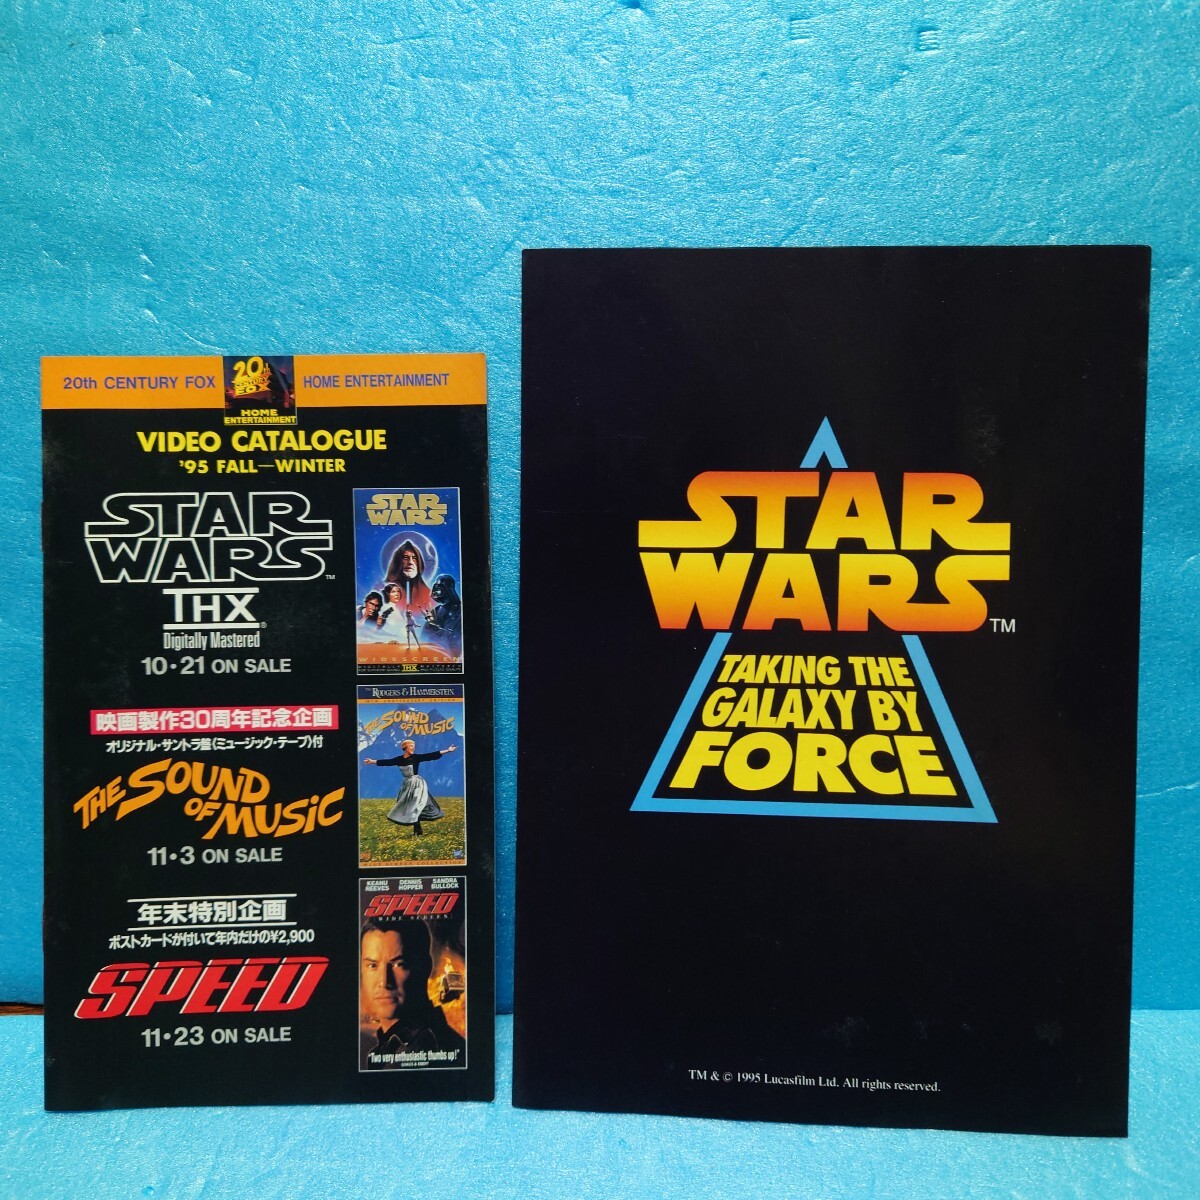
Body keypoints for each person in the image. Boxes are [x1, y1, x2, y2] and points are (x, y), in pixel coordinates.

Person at [359, 918, 465, 1067]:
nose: (384, 981)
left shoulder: (434, 1045)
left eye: (399, 964)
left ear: (426, 966)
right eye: (372, 965)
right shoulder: (385, 1049)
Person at [364, 739, 457, 836]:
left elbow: (430, 755)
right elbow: (387, 762)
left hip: (417, 784)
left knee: (416, 804)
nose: (413, 748)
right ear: (405, 747)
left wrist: (448, 750)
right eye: (411, 746)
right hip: (407, 784)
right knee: (410, 806)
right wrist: (372, 761)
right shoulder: (399, 759)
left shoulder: (416, 757)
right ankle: (418, 829)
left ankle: (418, 830)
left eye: (414, 746)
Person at [384, 540, 432, 613]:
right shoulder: (384, 587)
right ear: (397, 562)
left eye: (414, 558)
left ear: (419, 563)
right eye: (405, 557)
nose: (410, 562)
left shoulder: (427, 593)